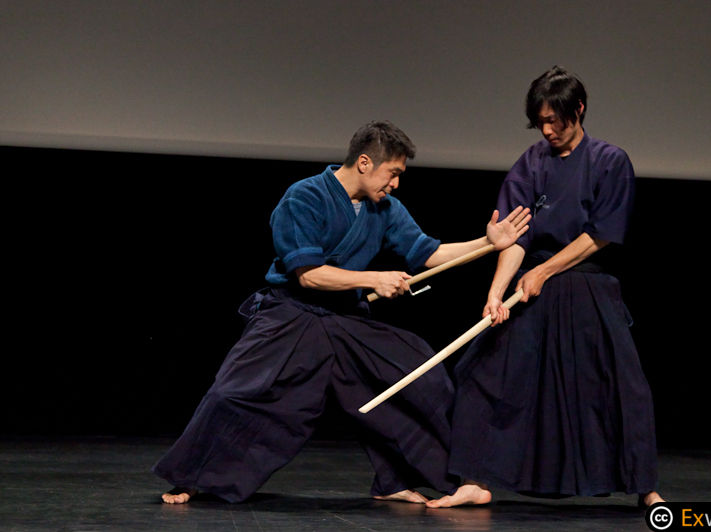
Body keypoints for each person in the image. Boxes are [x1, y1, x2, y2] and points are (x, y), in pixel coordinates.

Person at [153, 120, 531, 504]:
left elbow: (430, 253)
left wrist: (487, 242)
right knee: (235, 391)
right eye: (392, 173)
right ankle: (190, 477)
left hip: (346, 318)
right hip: (293, 314)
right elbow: (309, 275)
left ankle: (396, 480)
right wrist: (374, 279)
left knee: (418, 375)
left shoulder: (385, 208)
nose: (396, 184)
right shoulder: (304, 197)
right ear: (364, 162)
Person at [427, 67, 664, 508]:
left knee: (623, 386)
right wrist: (496, 292)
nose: (548, 130)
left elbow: (601, 234)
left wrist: (545, 271)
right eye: (541, 122)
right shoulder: (532, 163)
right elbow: (515, 235)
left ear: (579, 109)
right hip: (531, 285)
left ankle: (645, 487)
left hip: (587, 287)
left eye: (555, 120)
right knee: (480, 373)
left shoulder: (610, 161)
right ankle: (475, 480)